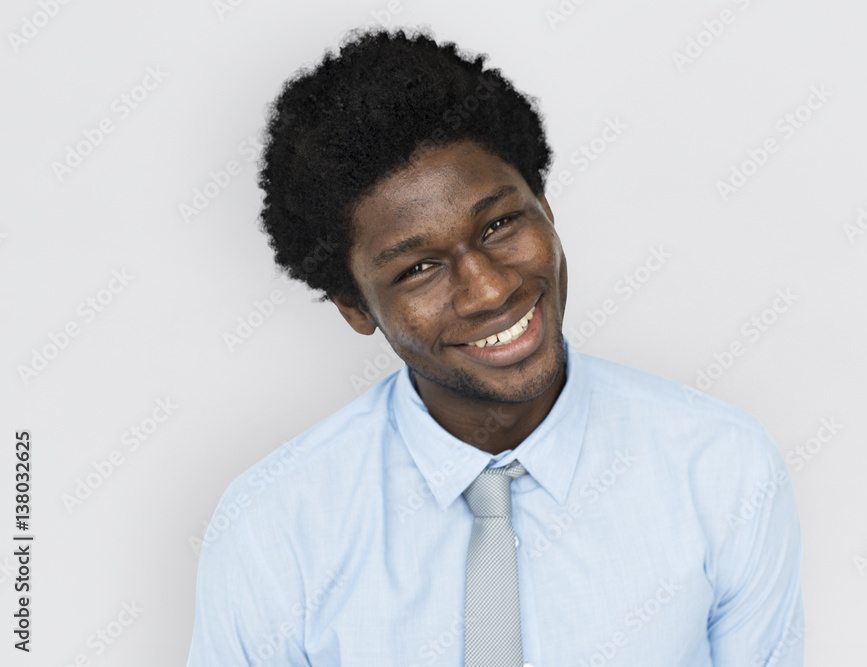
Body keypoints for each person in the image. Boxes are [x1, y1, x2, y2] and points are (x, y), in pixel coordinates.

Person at [186, 26, 805, 667]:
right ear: (355, 307)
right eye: (418, 268)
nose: (488, 290)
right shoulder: (273, 528)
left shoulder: (722, 468)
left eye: (501, 224)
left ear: (547, 209)